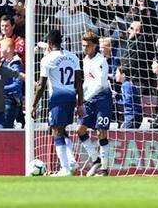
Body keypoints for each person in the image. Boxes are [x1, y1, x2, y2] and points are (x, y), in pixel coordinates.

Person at [32, 29, 83, 177]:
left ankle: (65, 168)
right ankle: (72, 161)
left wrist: (34, 104)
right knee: (61, 129)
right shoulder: (73, 57)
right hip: (71, 96)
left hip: (58, 97)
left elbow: (41, 85)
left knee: (56, 131)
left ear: (49, 43)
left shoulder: (47, 59)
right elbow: (79, 82)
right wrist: (80, 103)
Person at [76, 30, 112, 177]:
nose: (85, 48)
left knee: (101, 132)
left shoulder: (101, 61)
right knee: (80, 130)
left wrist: (85, 98)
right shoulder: (85, 60)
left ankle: (104, 169)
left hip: (102, 99)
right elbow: (87, 82)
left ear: (95, 46)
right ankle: (95, 159)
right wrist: (79, 98)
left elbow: (99, 84)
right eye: (83, 45)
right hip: (89, 99)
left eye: (88, 46)